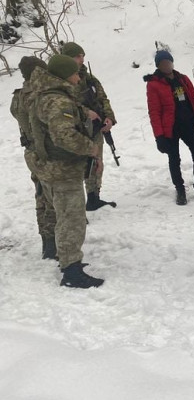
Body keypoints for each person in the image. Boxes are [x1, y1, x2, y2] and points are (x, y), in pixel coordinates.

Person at [27, 55, 104, 288]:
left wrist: (83, 112)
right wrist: (91, 149)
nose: (77, 76)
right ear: (63, 75)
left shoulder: (45, 96)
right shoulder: (58, 101)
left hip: (50, 169)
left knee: (62, 216)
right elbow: (64, 136)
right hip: (63, 171)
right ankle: (71, 271)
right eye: (74, 72)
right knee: (72, 219)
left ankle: (67, 260)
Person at [145, 50, 194, 205]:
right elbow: (154, 111)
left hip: (188, 123)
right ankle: (180, 190)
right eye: (163, 63)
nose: (167, 65)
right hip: (170, 128)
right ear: (158, 66)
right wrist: (159, 136)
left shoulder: (182, 79)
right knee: (174, 158)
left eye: (169, 62)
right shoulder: (153, 84)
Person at [60, 41, 118, 211]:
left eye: (82, 55)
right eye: (77, 56)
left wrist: (109, 118)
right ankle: (74, 205)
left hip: (95, 128)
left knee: (97, 162)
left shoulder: (90, 79)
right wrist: (86, 112)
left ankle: (93, 197)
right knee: (78, 165)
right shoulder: (63, 81)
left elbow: (103, 98)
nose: (81, 59)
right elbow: (65, 104)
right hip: (75, 130)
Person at [10, 56, 57, 259]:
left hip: (31, 152)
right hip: (47, 153)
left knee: (41, 195)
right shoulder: (39, 93)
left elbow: (16, 113)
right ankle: (58, 243)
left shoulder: (18, 96)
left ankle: (47, 242)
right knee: (54, 197)